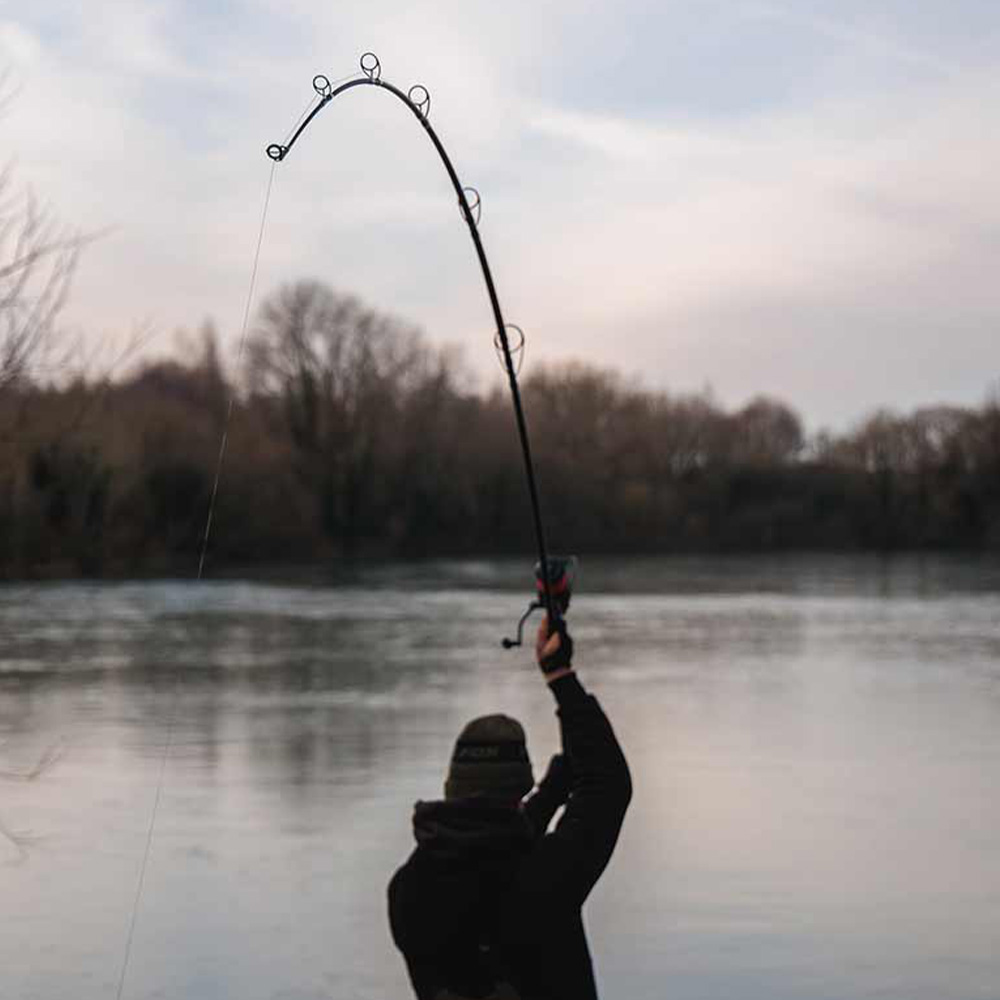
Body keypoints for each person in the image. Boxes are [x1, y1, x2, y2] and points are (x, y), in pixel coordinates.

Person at [388, 616, 632, 1000]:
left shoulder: (408, 891)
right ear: (517, 792)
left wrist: (550, 794)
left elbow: (484, 850)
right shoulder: (546, 878)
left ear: (451, 788)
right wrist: (560, 677)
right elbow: (608, 785)